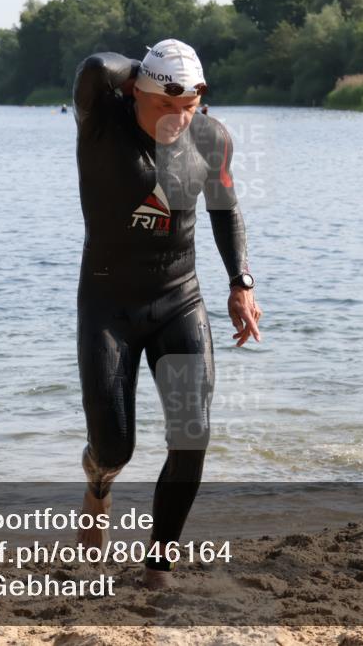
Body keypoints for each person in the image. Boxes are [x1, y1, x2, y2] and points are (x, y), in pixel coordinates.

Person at [72, 39, 262, 588]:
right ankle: (99, 486)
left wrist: (241, 282)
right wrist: (153, 69)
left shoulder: (210, 136)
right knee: (114, 446)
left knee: (190, 433)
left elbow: (226, 211)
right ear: (136, 93)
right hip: (108, 302)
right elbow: (93, 67)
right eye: (166, 105)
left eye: (191, 105)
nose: (179, 119)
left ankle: (158, 563)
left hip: (179, 296)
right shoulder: (101, 122)